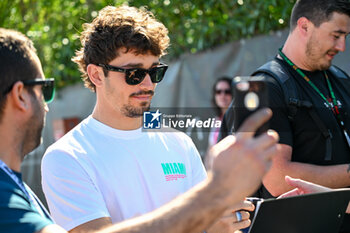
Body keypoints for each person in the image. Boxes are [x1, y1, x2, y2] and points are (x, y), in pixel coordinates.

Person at [0, 26, 279, 233]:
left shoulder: (178, 140)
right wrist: (208, 204)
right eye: (134, 74)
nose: (147, 84)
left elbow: (206, 222)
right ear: (96, 74)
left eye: (155, 72)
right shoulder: (67, 156)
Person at [220, 0, 350, 231]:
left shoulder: (340, 79)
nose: (342, 47)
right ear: (304, 26)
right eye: (336, 35)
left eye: (346, 37)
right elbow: (278, 179)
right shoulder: (268, 86)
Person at [208, 77, 233, 148]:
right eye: (218, 92)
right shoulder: (216, 120)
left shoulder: (237, 120)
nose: (223, 96)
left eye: (227, 92)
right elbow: (211, 148)